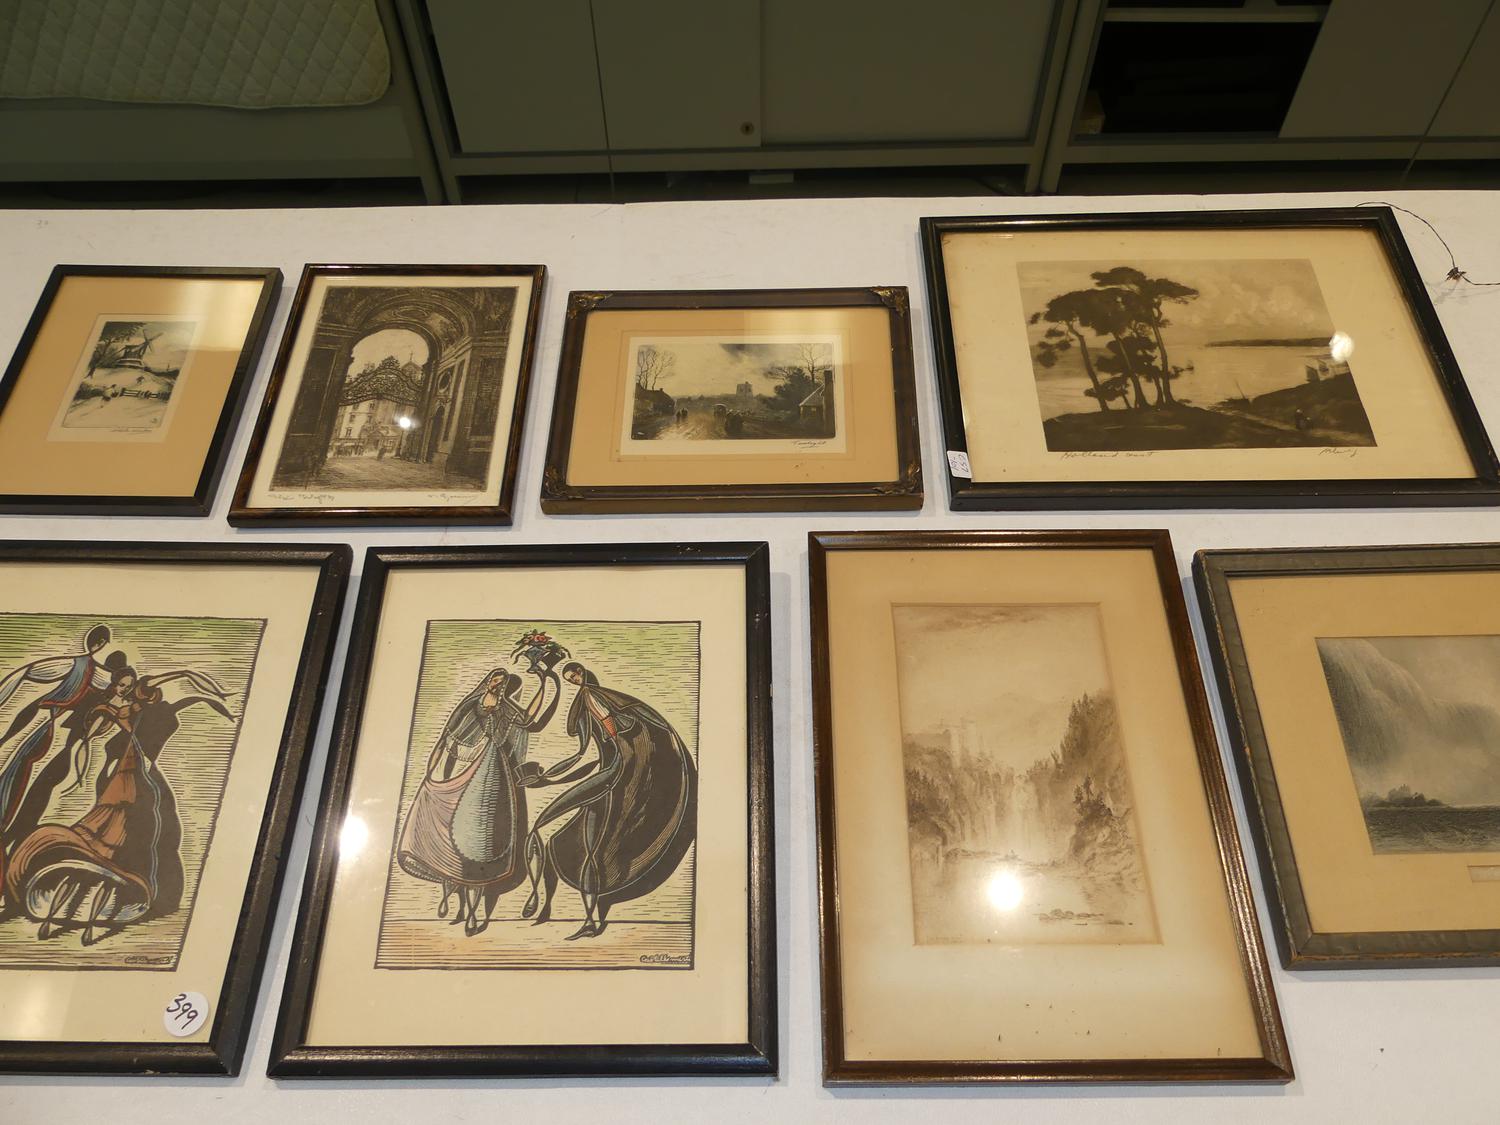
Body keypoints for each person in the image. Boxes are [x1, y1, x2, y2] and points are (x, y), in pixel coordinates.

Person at [4, 666, 234, 945]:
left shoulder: (142, 697)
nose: (124, 689)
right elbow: (90, 735)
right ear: (114, 683)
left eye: (128, 684)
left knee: (147, 819)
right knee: (123, 816)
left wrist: (207, 691)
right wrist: (82, 761)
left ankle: (113, 890)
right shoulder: (111, 707)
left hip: (137, 765)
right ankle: (83, 891)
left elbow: (177, 682)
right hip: (127, 767)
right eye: (121, 684)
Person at [521, 661, 697, 940]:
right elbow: (585, 756)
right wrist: (549, 778)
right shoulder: (584, 706)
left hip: (616, 774)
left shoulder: (599, 697)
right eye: (570, 677)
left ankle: (587, 919)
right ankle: (542, 901)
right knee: (552, 836)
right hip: (606, 773)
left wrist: (550, 779)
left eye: (575, 673)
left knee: (585, 850)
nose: (574, 678)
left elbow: (631, 730)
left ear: (584, 673)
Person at [396, 664, 560, 936]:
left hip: (500, 772)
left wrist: (545, 683)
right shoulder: (472, 704)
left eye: (503, 681)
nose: (499, 684)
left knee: (489, 835)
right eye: (496, 679)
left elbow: (530, 720)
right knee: (462, 830)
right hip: (472, 768)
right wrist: (430, 774)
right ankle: (457, 894)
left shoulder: (506, 708)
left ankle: (475, 902)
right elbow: (446, 739)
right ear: (488, 680)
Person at [0, 626, 120, 865]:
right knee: (24, 785)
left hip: (67, 748)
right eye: (103, 644)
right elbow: (27, 673)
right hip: (48, 736)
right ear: (97, 645)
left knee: (42, 792)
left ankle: (17, 841)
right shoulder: (76, 666)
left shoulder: (112, 686)